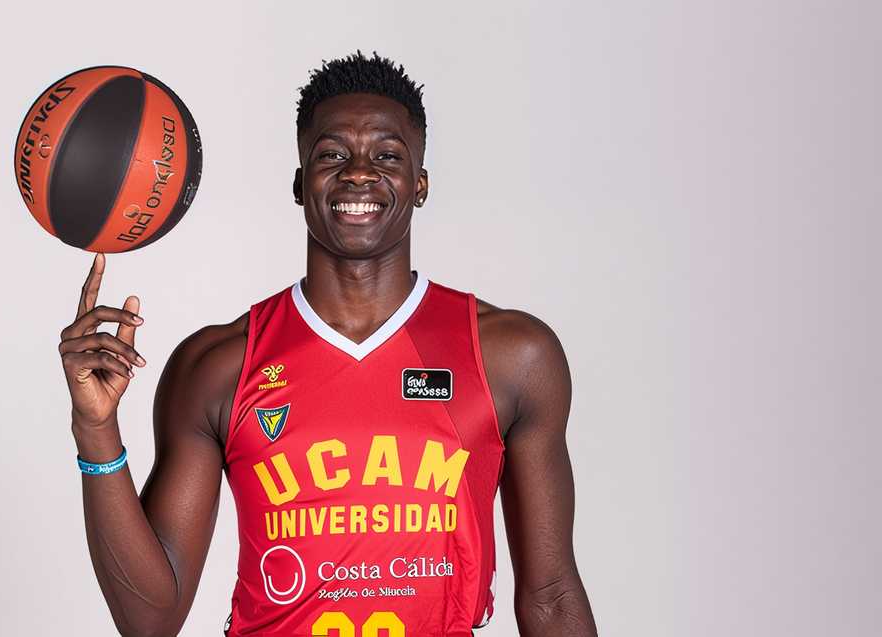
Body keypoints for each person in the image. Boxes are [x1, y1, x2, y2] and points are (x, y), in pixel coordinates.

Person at [58, 51, 597, 637]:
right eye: (333, 154)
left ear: (419, 185)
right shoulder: (217, 365)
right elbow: (148, 620)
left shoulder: (511, 356)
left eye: (387, 156)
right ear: (300, 183)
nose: (359, 173)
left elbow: (551, 597)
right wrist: (96, 428)